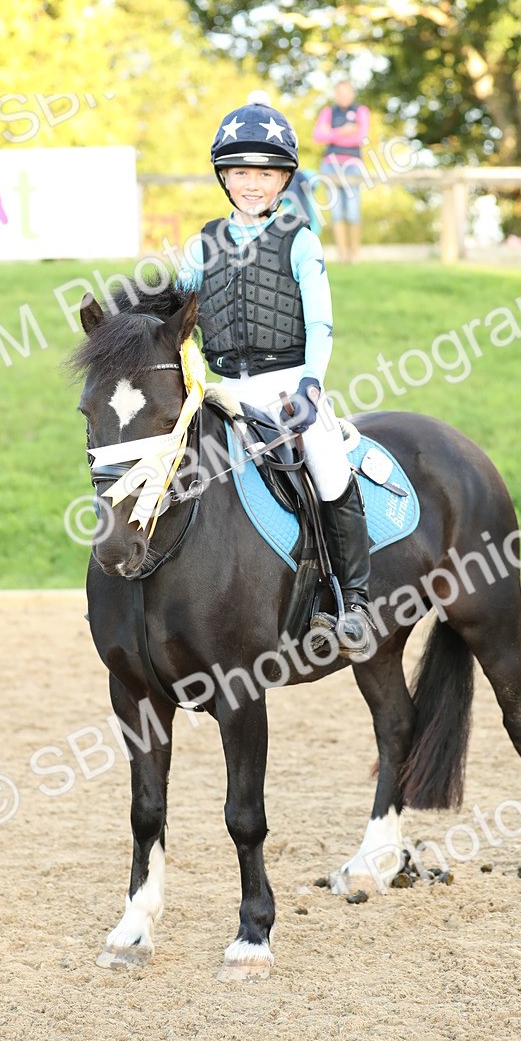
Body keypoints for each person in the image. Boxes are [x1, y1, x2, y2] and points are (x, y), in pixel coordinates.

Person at [180, 99, 375, 658]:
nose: (252, 183)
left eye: (265, 173)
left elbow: (320, 320)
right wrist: (191, 377)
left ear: (284, 178)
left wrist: (313, 384)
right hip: (219, 391)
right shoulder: (200, 246)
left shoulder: (301, 239)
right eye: (240, 172)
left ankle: (351, 601)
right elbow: (180, 320)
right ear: (224, 177)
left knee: (329, 468)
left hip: (289, 384)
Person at [312, 80, 370, 263]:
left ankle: (355, 254)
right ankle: (342, 254)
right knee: (336, 211)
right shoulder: (328, 112)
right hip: (330, 164)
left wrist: (332, 134)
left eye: (346, 93)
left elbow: (361, 137)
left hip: (353, 165)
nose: (343, 97)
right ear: (336, 95)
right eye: (340, 93)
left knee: (353, 210)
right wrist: (344, 131)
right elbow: (318, 136)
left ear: (352, 94)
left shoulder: (361, 111)